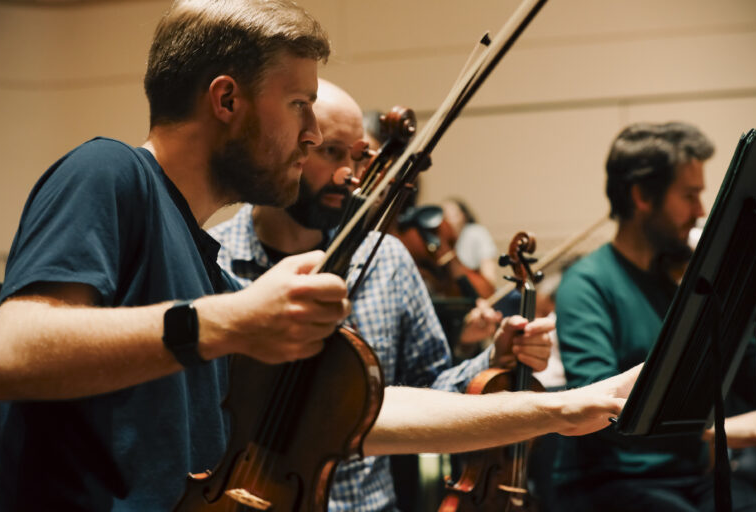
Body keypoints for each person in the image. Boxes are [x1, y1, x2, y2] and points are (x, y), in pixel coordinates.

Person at [0, 1, 640, 509]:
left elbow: (358, 411)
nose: (310, 133)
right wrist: (231, 322)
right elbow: (12, 349)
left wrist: (563, 409)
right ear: (226, 101)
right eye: (299, 103)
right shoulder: (109, 173)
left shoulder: (208, 263)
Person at [209, 78, 553, 510]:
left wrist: (493, 361)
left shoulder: (386, 259)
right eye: (331, 152)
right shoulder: (212, 258)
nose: (349, 175)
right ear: (288, 147)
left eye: (358, 157)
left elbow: (432, 389)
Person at [552, 122, 756, 511]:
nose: (701, 210)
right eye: (690, 195)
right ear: (643, 195)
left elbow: (748, 371)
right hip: (611, 483)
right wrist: (716, 431)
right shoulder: (587, 283)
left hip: (689, 479)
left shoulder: (688, 278)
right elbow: (600, 409)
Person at [441, 197, 499, 288]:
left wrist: (487, 291)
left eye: (451, 216)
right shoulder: (439, 239)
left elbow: (489, 272)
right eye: (444, 217)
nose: (447, 221)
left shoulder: (476, 232)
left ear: (463, 216)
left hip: (475, 289)